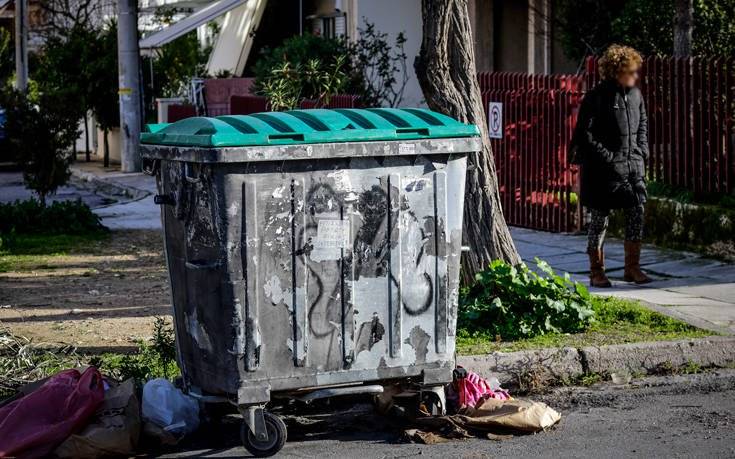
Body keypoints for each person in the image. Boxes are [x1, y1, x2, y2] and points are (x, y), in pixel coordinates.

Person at [571, 44, 652, 287]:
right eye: (632, 71)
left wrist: (642, 151)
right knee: (599, 218)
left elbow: (643, 126)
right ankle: (597, 271)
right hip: (603, 172)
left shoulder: (636, 96)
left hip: (632, 167)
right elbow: (585, 134)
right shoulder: (596, 96)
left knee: (637, 211)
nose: (636, 76)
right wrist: (607, 157)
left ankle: (632, 268)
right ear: (617, 71)